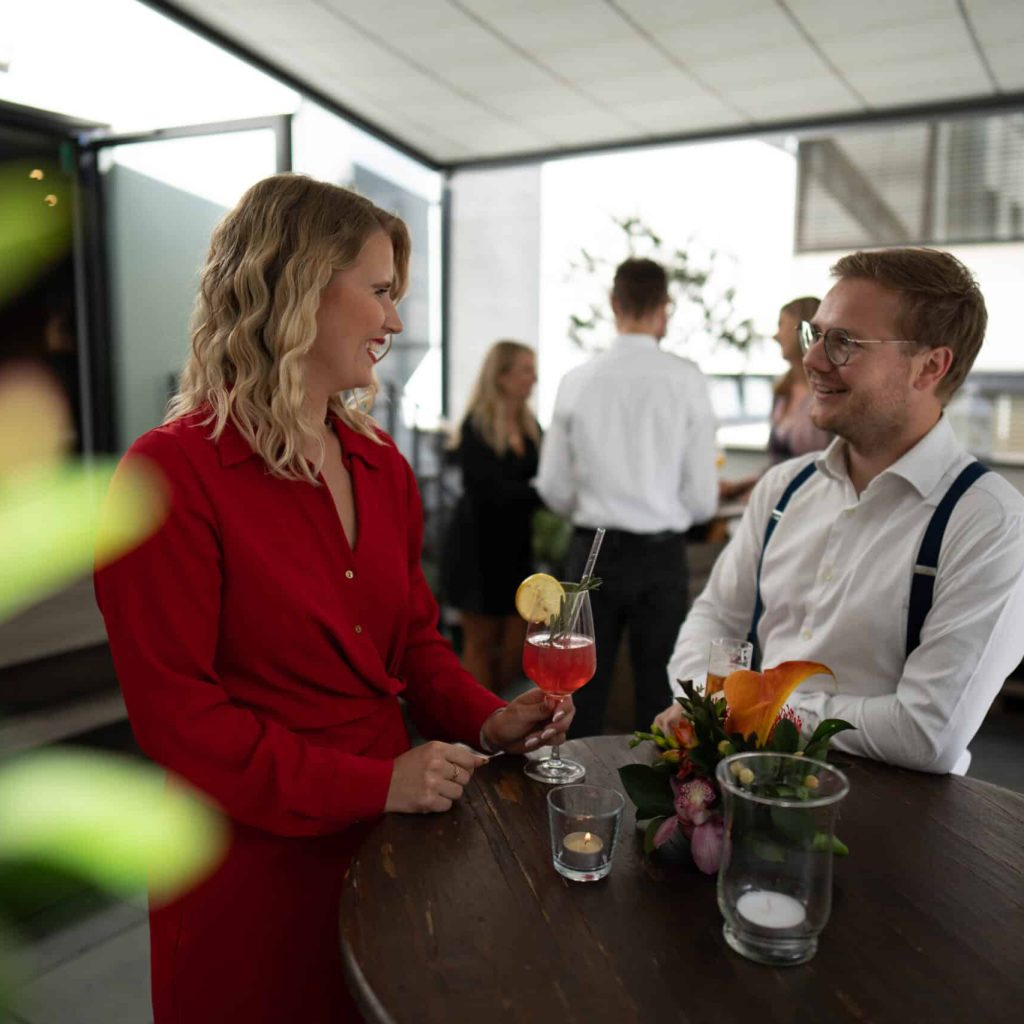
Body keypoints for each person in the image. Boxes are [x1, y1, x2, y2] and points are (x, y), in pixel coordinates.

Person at [93, 174, 574, 1024]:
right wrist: (375, 782)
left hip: (390, 841)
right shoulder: (170, 475)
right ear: (299, 285)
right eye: (381, 291)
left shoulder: (380, 464)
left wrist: (485, 718)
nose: (395, 321)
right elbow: (181, 722)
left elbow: (416, 644)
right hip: (246, 866)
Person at [656, 247, 1024, 775]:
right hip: (743, 789)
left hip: (889, 825)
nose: (812, 359)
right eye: (816, 333)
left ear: (930, 367)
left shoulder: (988, 521)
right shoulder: (785, 488)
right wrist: (713, 704)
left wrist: (761, 709)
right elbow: (716, 617)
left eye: (844, 342)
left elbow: (926, 732)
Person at [536, 257, 718, 738]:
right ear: (665, 309)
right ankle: (661, 807)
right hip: (661, 556)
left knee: (577, 687)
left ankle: (570, 797)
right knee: (662, 690)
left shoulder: (577, 379)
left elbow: (552, 485)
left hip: (591, 550)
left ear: (614, 305)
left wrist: (594, 506)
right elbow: (703, 499)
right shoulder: (687, 379)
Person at [443, 340, 542, 691]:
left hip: (516, 548)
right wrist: (540, 492)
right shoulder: (476, 426)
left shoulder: (531, 426)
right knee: (480, 644)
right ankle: (477, 732)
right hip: (477, 548)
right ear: (502, 376)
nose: (534, 378)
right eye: (526, 369)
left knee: (516, 646)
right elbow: (487, 491)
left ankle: (500, 723)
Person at [721, 296, 831, 501]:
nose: (776, 336)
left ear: (804, 330)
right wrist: (739, 486)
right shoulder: (783, 391)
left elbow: (821, 466)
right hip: (777, 497)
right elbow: (778, 466)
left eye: (781, 325)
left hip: (810, 500)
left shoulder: (828, 393)